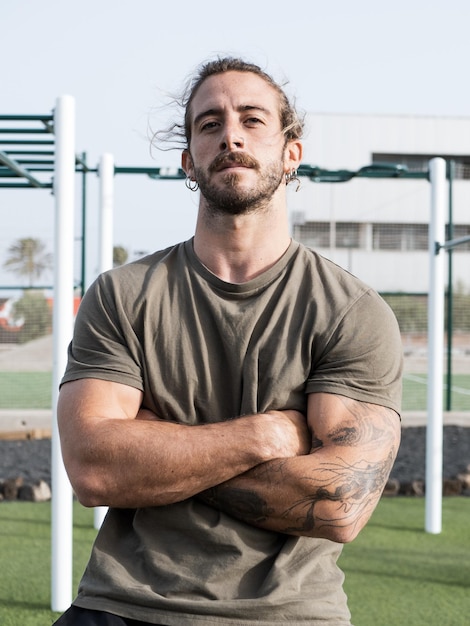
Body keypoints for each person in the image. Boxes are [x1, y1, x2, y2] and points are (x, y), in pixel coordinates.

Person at [54, 56, 402, 626]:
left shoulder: (351, 311)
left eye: (252, 119)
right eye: (209, 122)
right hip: (122, 605)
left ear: (291, 153)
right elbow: (93, 469)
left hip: (289, 613)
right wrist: (264, 435)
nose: (231, 134)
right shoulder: (122, 294)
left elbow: (340, 504)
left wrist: (150, 448)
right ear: (189, 159)